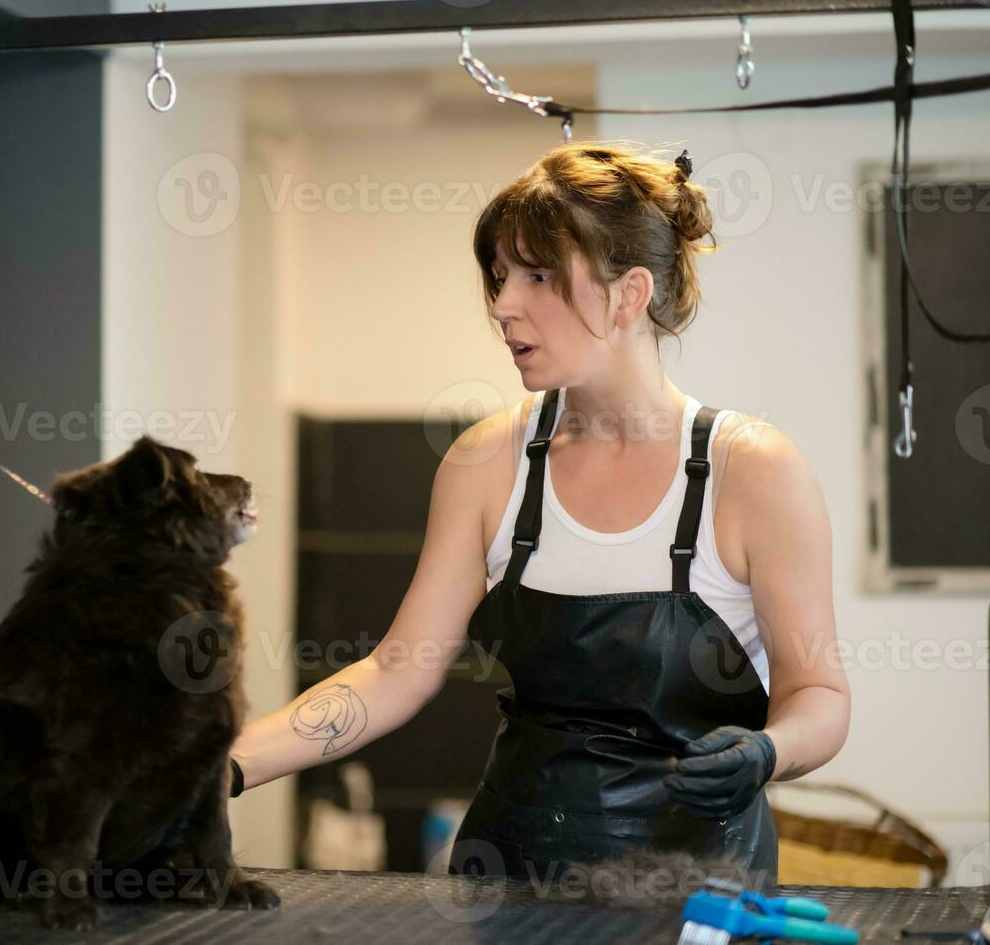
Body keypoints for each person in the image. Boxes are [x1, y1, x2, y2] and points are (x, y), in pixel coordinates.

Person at [224, 140, 850, 884]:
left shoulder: (750, 470)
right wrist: (224, 767)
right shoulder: (485, 463)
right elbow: (395, 671)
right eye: (497, 277)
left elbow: (817, 694)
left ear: (628, 294)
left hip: (698, 889)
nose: (501, 305)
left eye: (538, 276)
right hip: (510, 872)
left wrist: (769, 750)